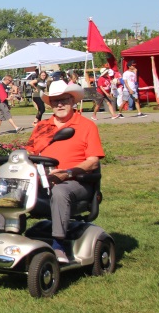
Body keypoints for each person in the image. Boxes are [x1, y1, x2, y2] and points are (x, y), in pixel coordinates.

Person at [24, 81, 105, 263]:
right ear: (50, 104)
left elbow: (92, 162)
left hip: (77, 182)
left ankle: (59, 245)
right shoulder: (42, 126)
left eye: (64, 100)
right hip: (43, 181)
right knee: (10, 187)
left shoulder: (86, 126)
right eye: (55, 101)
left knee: (60, 191)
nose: (59, 104)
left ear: (73, 101)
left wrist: (67, 173)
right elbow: (29, 153)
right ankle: (9, 237)